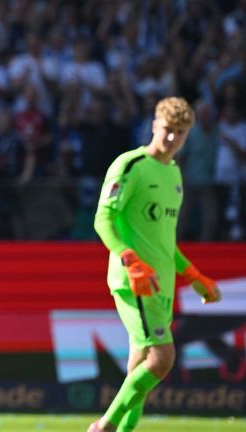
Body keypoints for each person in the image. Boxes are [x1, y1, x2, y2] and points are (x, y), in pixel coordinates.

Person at [90, 96, 223, 432]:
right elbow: (103, 219)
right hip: (134, 280)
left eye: (179, 133)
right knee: (162, 359)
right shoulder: (131, 165)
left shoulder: (174, 174)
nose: (171, 139)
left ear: (186, 135)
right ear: (153, 125)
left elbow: (165, 241)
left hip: (161, 283)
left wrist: (192, 274)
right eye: (166, 130)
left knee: (140, 367)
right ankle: (103, 427)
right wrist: (130, 259)